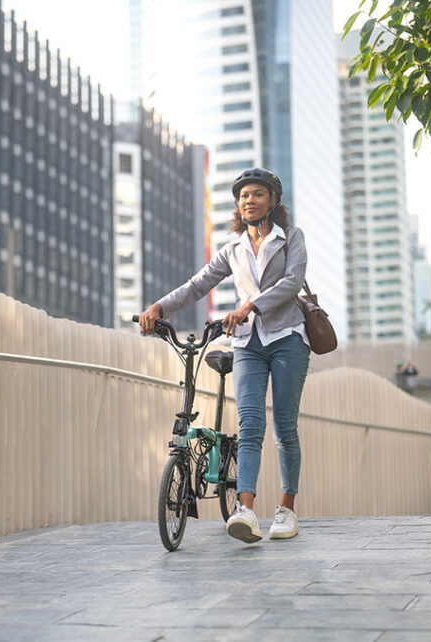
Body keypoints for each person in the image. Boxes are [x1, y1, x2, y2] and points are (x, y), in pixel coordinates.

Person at [138, 168, 310, 544]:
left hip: (287, 338)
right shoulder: (232, 249)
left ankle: (286, 509)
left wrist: (250, 305)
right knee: (249, 424)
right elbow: (198, 284)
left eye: (258, 194)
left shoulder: (290, 238)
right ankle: (245, 510)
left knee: (285, 428)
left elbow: (292, 283)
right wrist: (158, 308)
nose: (249, 200)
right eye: (244, 195)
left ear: (273, 201)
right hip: (247, 343)